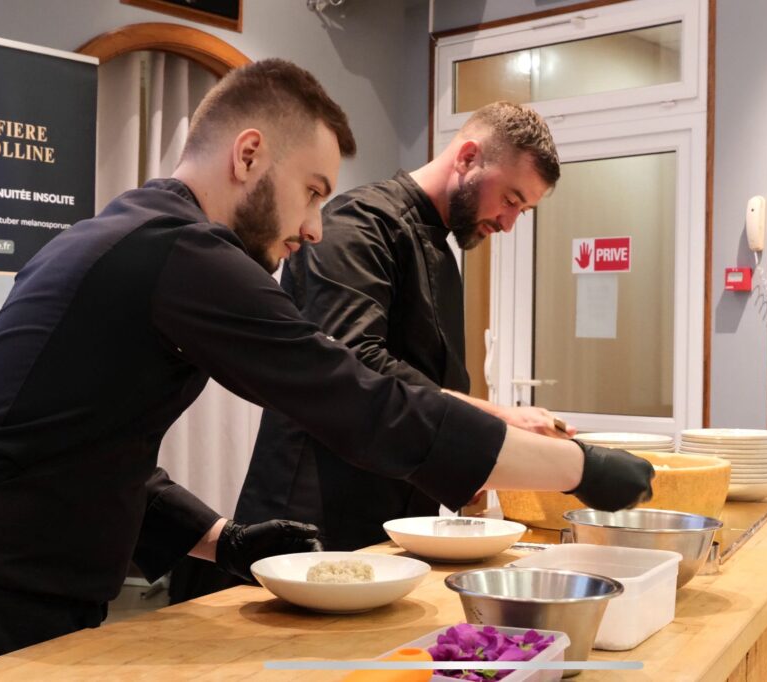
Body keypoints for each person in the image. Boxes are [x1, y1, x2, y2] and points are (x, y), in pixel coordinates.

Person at [0, 60, 652, 682]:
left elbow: (84, 445)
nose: (314, 228)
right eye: (312, 192)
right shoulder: (184, 252)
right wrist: (578, 469)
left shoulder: (124, 234)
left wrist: (218, 540)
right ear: (248, 155)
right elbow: (358, 399)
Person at [224, 102, 572, 559]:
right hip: (315, 512)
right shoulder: (356, 224)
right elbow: (357, 364)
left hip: (396, 513)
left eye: (522, 211)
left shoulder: (440, 250)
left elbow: (427, 383)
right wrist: (496, 420)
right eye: (510, 199)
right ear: (468, 157)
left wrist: (458, 460)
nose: (508, 224)